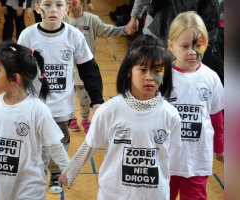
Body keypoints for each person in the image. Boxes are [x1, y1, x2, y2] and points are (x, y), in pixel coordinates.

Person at [59, 34, 182, 200]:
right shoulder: (109, 111)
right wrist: (70, 171)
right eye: (143, 69)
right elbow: (90, 144)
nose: (149, 77)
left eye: (157, 71)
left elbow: (173, 158)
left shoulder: (171, 115)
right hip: (113, 194)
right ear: (129, 71)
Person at [0, 41, 70, 199]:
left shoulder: (37, 109)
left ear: (15, 78)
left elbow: (55, 146)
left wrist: (68, 170)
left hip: (29, 189)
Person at [17, 0, 104, 194]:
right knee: (36, 144)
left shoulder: (74, 36)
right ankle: (36, 174)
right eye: (47, 5)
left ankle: (56, 173)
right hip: (34, 105)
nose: (53, 10)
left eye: (58, 5)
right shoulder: (27, 36)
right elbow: (18, 70)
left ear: (67, 8)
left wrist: (97, 101)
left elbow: (89, 69)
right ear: (38, 8)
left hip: (61, 105)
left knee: (59, 141)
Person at [166, 11, 224, 200]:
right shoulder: (162, 76)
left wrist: (220, 146)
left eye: (197, 45)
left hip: (197, 159)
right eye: (185, 46)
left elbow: (216, 115)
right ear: (171, 45)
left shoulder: (211, 78)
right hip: (166, 159)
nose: (192, 51)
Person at [65, 0, 134, 134]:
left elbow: (107, 30)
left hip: (84, 70)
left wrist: (124, 29)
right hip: (66, 70)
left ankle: (85, 119)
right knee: (67, 97)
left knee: (85, 97)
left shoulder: (91, 20)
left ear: (83, 2)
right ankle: (70, 118)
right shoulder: (61, 20)